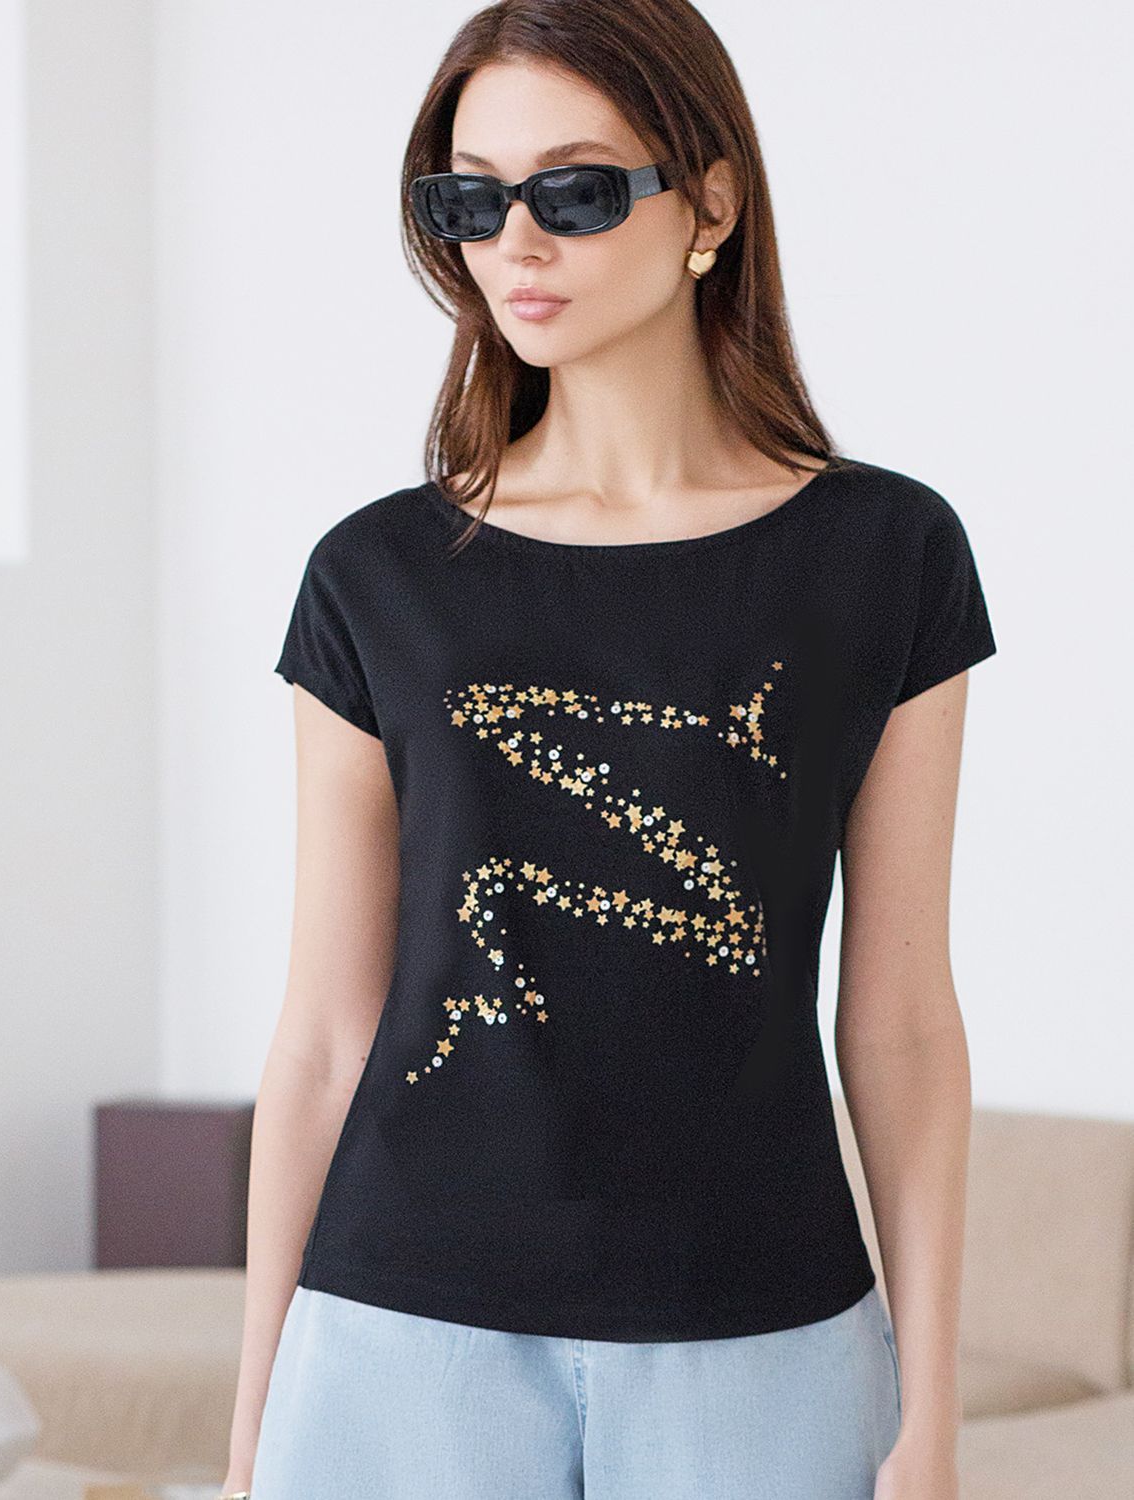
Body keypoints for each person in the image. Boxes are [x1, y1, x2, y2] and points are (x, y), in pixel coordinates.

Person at [223, 2, 997, 1496]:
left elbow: (901, 1025)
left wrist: (933, 1408)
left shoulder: (885, 556)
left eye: (573, 192)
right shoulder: (378, 577)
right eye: (470, 200)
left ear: (710, 203)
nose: (515, 243)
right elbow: (323, 1033)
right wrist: (258, 1420)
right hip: (397, 1343)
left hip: (766, 1340)